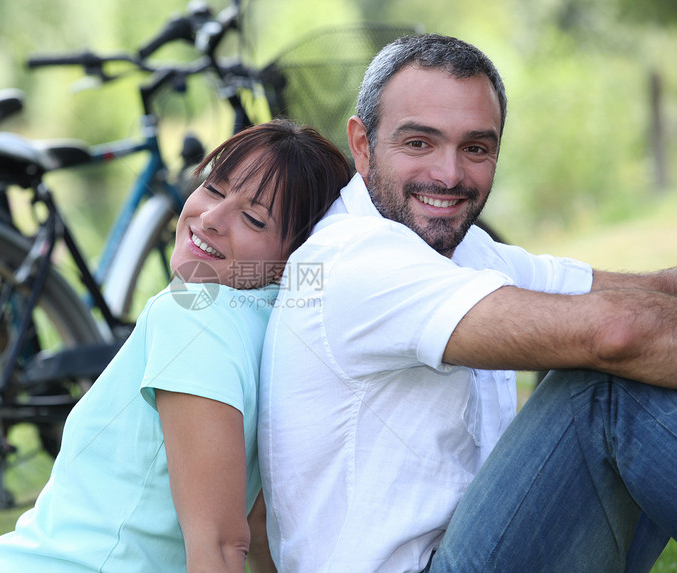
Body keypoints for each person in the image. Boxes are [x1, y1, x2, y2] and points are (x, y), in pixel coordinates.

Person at [0, 119, 352, 573]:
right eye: (214, 187)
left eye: (254, 218)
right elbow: (257, 531)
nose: (211, 218)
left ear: (293, 256)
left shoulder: (199, 315)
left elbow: (219, 545)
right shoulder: (275, 328)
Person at [258, 33, 677, 573]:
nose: (450, 176)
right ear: (362, 145)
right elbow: (618, 331)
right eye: (419, 144)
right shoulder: (354, 262)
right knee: (604, 387)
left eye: (475, 148)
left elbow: (650, 292)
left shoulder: (464, 246)